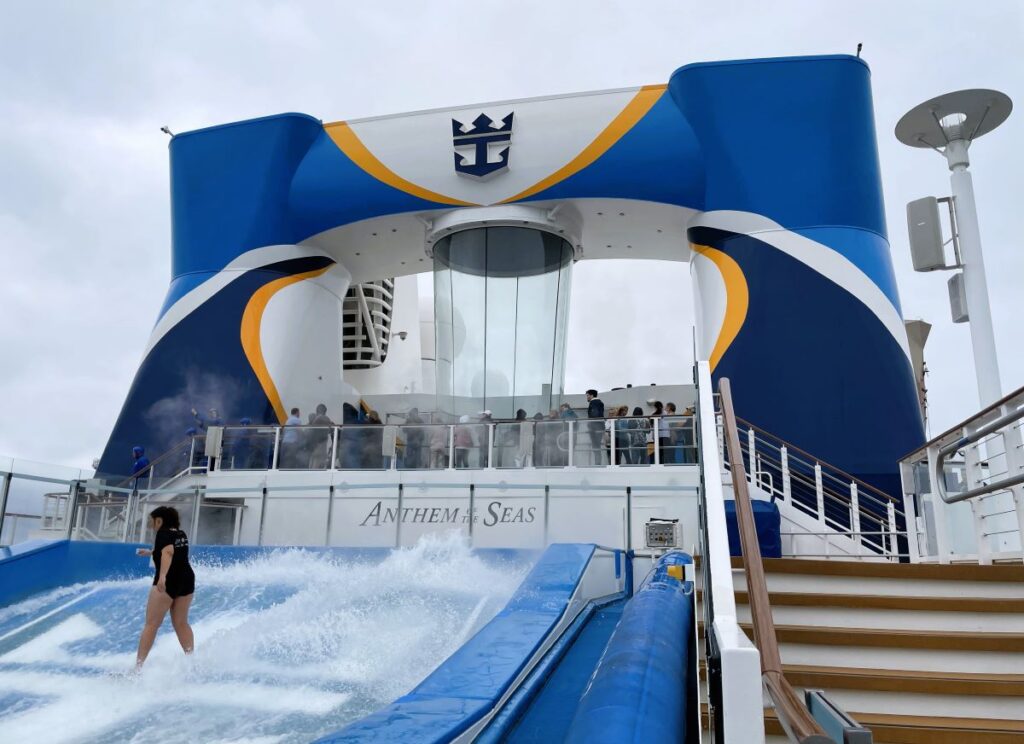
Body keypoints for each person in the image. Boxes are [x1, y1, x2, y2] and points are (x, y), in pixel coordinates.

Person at [135, 506, 195, 668]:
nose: (151, 524)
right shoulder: (180, 534)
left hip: (169, 580)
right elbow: (171, 550)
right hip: (187, 579)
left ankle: (137, 669)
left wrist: (162, 577)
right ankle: (192, 661)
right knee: (181, 622)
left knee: (151, 624)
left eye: (152, 521)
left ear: (159, 520)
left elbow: (167, 552)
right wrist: (150, 553)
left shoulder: (162, 533)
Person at [308, 404, 333, 469]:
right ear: (324, 411)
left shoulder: (314, 420)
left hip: (314, 446)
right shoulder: (324, 418)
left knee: (312, 465)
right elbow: (331, 429)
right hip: (320, 446)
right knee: (317, 466)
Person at [586, 389, 605, 465]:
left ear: (592, 395)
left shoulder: (594, 403)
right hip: (599, 426)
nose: (587, 397)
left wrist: (590, 425)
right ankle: (598, 463)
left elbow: (594, 414)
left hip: (595, 428)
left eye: (587, 395)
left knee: (596, 446)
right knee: (597, 446)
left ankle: (597, 463)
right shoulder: (599, 402)